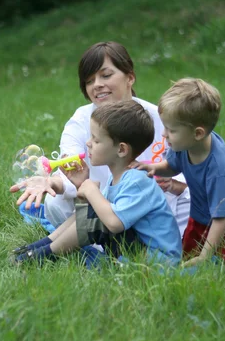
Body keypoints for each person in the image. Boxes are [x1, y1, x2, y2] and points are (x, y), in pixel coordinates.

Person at [13, 41, 190, 236]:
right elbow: (69, 169)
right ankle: (91, 241)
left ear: (130, 77)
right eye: (89, 81)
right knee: (54, 202)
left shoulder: (158, 117)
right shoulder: (80, 121)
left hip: (151, 208)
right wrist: (51, 182)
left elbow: (187, 178)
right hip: (98, 206)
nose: (97, 85)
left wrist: (171, 184)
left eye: (106, 75)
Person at [10, 100, 182, 266]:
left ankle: (41, 257)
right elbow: (88, 216)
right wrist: (82, 185)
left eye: (96, 140)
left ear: (121, 149)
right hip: (138, 252)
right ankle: (36, 249)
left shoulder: (138, 181)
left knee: (99, 217)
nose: (88, 143)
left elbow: (113, 223)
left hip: (158, 262)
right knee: (95, 212)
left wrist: (92, 191)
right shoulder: (118, 178)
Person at [134, 78, 225, 267]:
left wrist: (205, 256)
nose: (164, 135)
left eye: (171, 130)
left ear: (198, 133)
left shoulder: (219, 169)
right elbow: (173, 165)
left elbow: (221, 218)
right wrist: (156, 168)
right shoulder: (184, 146)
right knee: (185, 256)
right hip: (202, 212)